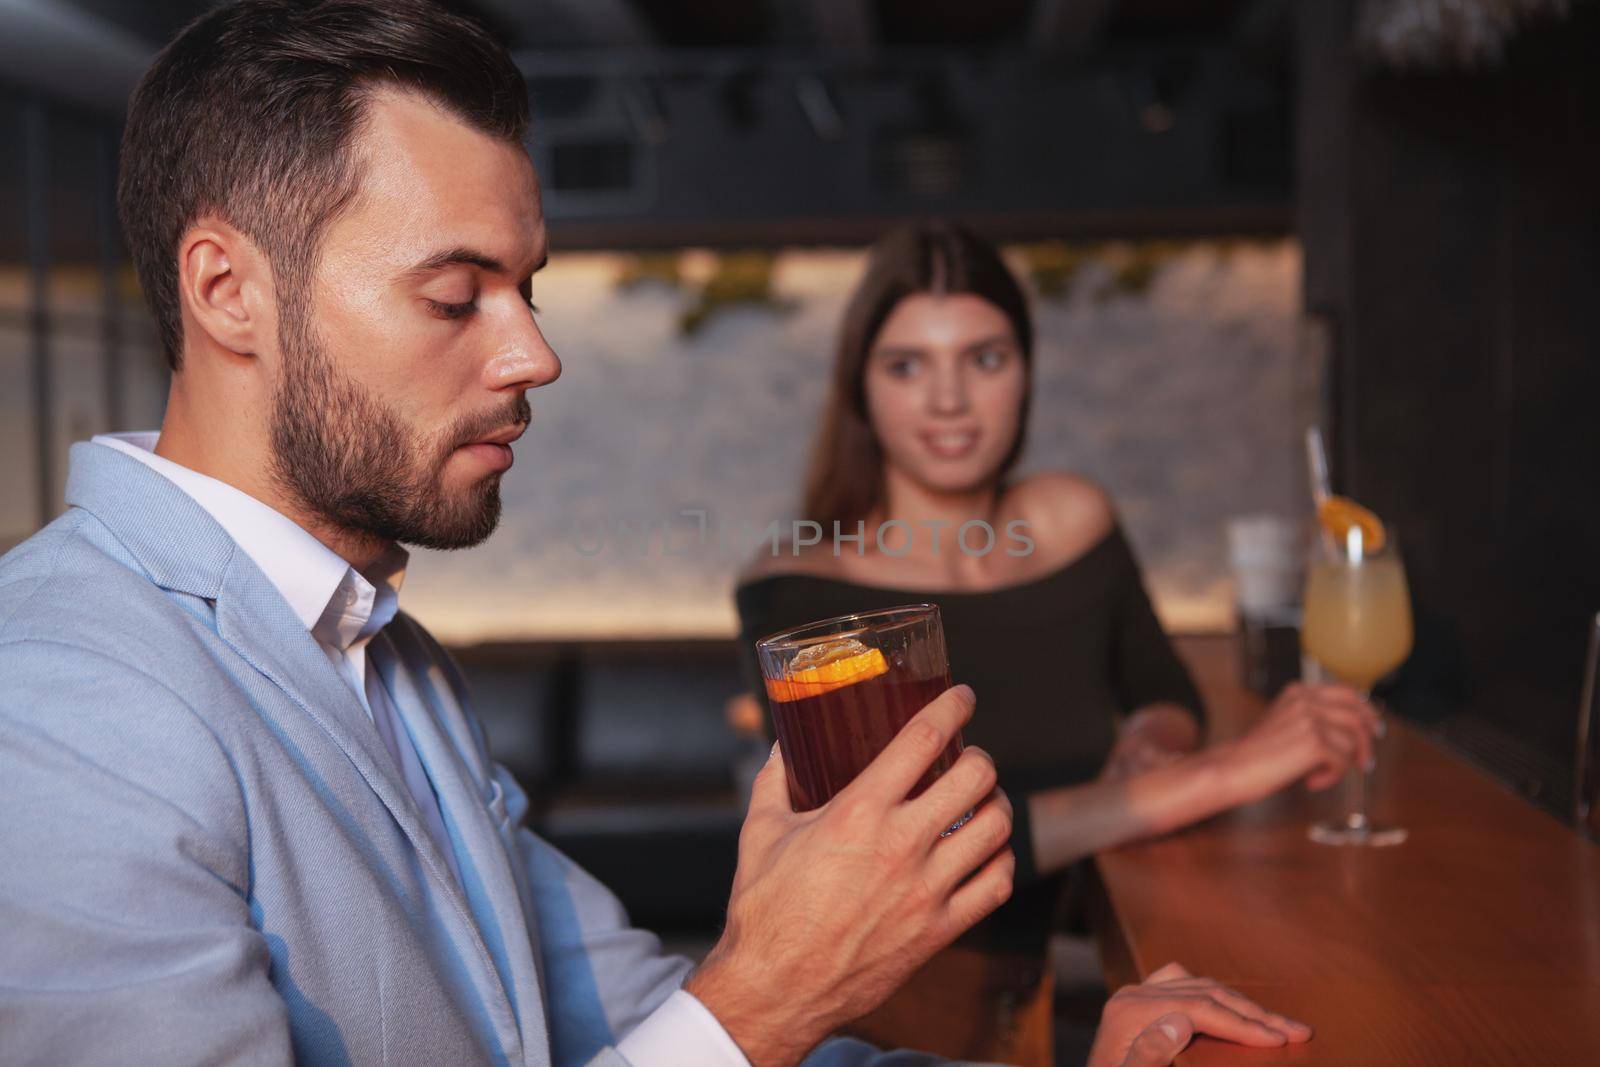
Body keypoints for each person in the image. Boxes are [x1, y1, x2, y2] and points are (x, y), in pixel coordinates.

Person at [0, 4, 1310, 1065]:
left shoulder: (385, 655)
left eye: (527, 289)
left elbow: (632, 1009)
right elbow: (721, 1029)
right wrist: (758, 1004)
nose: (536, 352)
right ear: (228, 290)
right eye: (456, 295)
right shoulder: (57, 704)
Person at [735, 223, 1378, 1061]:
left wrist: (1156, 740)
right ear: (860, 388)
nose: (949, 400)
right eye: (907, 365)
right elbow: (911, 850)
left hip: (1053, 988)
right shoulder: (796, 591)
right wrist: (1219, 774)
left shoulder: (1073, 519)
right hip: (881, 1024)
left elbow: (1162, 685)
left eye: (986, 358)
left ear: (1027, 372)